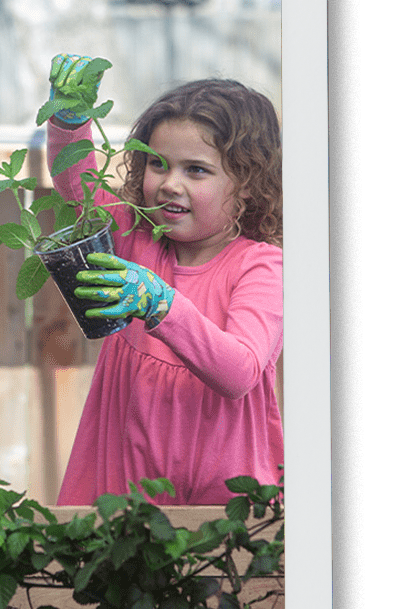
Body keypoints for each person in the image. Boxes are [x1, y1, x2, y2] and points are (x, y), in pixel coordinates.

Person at [46, 54, 284, 507]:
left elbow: (238, 373)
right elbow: (77, 186)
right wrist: (69, 120)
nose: (170, 183)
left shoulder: (260, 266)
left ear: (249, 182)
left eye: (196, 170)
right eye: (157, 164)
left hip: (220, 495)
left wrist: (161, 304)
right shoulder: (137, 236)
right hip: (124, 481)